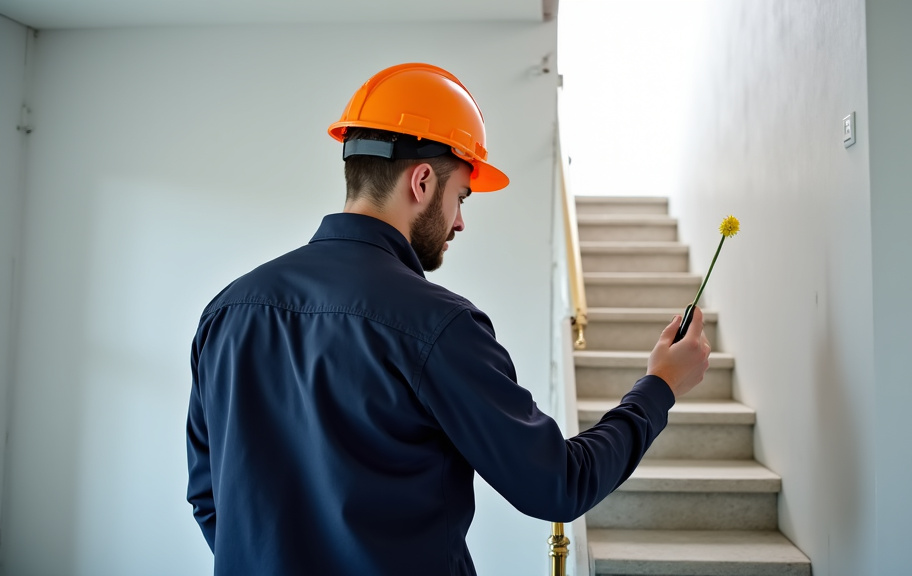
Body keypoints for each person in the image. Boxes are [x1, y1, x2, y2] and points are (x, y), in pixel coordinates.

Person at [186, 62, 711, 576]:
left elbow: (209, 499)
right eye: (461, 195)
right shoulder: (437, 325)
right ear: (420, 182)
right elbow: (559, 485)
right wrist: (659, 386)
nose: (460, 220)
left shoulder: (226, 311)